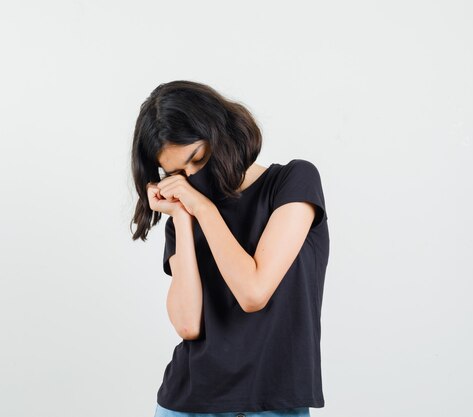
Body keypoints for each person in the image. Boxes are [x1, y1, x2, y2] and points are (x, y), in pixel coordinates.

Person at [130, 80, 329, 417]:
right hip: (188, 403)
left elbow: (253, 292)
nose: (190, 178)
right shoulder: (186, 216)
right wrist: (180, 216)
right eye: (176, 173)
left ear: (219, 132)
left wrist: (204, 209)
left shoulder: (292, 183)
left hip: (273, 404)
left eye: (198, 159)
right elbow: (188, 324)